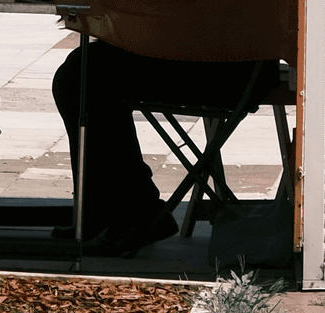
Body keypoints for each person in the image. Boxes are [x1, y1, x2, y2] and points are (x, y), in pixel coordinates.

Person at [51, 36, 266, 255]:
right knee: (84, 68)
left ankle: (128, 212)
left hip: (224, 70)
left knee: (84, 74)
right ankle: (117, 211)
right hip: (236, 65)